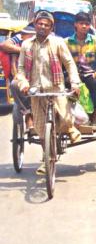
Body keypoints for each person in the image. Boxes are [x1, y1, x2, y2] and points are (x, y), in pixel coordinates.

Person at [15, 11, 82, 174]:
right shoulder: (26, 45)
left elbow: (69, 63)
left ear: (51, 27)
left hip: (56, 88)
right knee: (40, 128)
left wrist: (74, 82)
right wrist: (23, 83)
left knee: (66, 119)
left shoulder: (57, 42)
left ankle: (71, 129)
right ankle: (47, 159)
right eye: (40, 24)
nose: (43, 27)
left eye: (46, 25)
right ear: (35, 24)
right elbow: (21, 68)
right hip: (36, 91)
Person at [66, 12, 96, 124]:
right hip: (71, 75)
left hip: (90, 74)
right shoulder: (66, 42)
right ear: (76, 24)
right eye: (81, 23)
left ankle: (95, 113)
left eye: (87, 24)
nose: (84, 26)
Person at [1, 23, 36, 134]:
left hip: (37, 76)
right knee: (14, 85)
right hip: (22, 77)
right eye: (28, 35)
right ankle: (28, 114)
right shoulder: (18, 44)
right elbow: (14, 67)